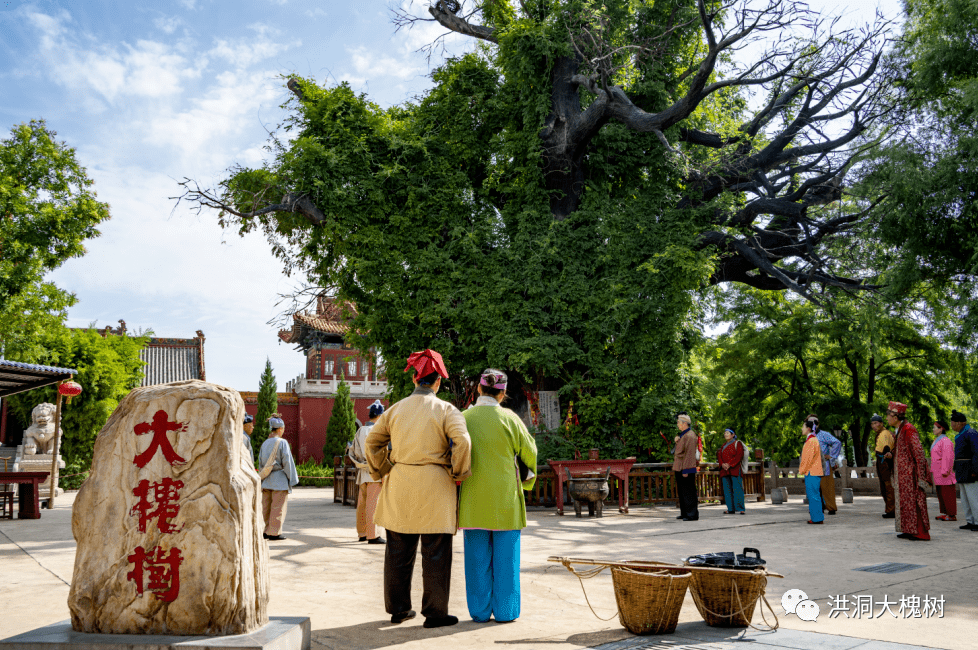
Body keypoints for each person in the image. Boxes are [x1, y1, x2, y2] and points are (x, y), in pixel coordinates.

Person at [365, 349, 472, 629]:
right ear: (437, 382)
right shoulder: (447, 410)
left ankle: (399, 610)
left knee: (398, 552)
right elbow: (462, 442)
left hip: (400, 483)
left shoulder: (395, 410)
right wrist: (457, 471)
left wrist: (383, 468)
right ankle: (435, 614)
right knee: (436, 553)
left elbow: (372, 444)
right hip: (436, 485)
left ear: (415, 378)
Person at [458, 369, 537, 623]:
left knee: (476, 562)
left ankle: (479, 612)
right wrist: (526, 483)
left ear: (479, 389)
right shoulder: (510, 419)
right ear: (502, 393)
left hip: (472, 500)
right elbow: (530, 453)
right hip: (505, 500)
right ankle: (506, 611)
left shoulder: (464, 417)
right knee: (506, 562)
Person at [886, 401, 931, 541]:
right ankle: (908, 529)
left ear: (895, 416)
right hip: (902, 475)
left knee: (913, 503)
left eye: (888, 414)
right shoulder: (900, 431)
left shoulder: (908, 429)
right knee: (904, 503)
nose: (886, 418)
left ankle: (919, 532)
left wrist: (921, 475)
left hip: (910, 475)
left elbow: (918, 452)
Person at [349, 400, 386, 544]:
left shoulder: (360, 431)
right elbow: (383, 453)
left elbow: (353, 452)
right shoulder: (379, 431)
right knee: (373, 504)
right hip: (375, 471)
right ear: (380, 415)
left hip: (362, 471)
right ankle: (373, 535)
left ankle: (362, 533)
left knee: (362, 504)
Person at [258, 414, 299, 541]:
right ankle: (274, 533)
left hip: (266, 479)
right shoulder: (282, 442)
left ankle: (264, 531)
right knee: (278, 507)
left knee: (265, 507)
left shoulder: (265, 443)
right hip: (279, 480)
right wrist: (292, 479)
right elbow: (287, 462)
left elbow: (260, 463)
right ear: (280, 429)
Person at [950, 410, 978, 531]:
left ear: (960, 423)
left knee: (973, 497)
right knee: (965, 497)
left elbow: (976, 452)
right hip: (961, 470)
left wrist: (975, 470)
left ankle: (977, 521)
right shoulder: (962, 433)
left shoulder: (971, 433)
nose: (951, 425)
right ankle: (970, 521)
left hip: (969, 469)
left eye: (953, 423)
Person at [673, 413, 699, 521]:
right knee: (682, 491)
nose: (677, 424)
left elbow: (689, 454)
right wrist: (677, 441)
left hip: (686, 468)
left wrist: (686, 469)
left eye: (679, 422)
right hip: (680, 467)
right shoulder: (683, 435)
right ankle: (685, 513)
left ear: (684, 423)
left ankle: (691, 514)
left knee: (689, 492)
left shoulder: (690, 435)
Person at [799, 418, 824, 524]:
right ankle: (817, 517)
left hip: (811, 471)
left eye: (803, 427)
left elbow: (807, 459)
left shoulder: (810, 441)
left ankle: (816, 518)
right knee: (815, 495)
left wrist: (801, 470)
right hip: (815, 471)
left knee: (813, 496)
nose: (802, 429)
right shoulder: (813, 440)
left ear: (808, 429)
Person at [930, 420, 957, 522]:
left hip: (944, 472)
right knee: (941, 493)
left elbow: (948, 457)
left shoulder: (946, 441)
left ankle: (951, 514)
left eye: (935, 427)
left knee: (948, 493)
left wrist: (945, 471)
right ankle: (946, 513)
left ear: (941, 429)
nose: (933, 429)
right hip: (937, 472)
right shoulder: (937, 440)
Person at [815, 420, 842, 516]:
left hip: (824, 465)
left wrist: (831, 455)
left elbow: (837, 442)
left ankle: (831, 508)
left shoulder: (824, 434)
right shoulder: (809, 436)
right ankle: (818, 507)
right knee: (815, 488)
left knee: (827, 487)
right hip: (813, 466)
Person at [870, 414, 896, 518]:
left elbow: (886, 449)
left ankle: (891, 510)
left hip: (885, 462)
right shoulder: (880, 433)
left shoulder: (884, 433)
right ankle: (889, 509)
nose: (874, 426)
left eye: (876, 423)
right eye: (872, 424)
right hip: (881, 462)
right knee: (884, 487)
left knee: (888, 487)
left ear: (881, 423)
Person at [717, 428, 746, 515]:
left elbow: (739, 456)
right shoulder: (723, 445)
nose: (725, 434)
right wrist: (722, 464)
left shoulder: (738, 444)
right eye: (724, 433)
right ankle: (730, 508)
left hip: (735, 469)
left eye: (727, 433)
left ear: (733, 435)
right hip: (724, 470)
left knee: (737, 489)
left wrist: (729, 464)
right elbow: (719, 456)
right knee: (727, 490)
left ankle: (740, 508)